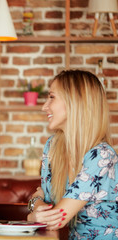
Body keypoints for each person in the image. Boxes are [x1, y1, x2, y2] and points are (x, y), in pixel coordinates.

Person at [27, 70, 118, 239]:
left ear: (74, 102)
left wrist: (32, 213)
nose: (44, 106)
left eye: (52, 97)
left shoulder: (102, 156)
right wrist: (36, 204)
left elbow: (54, 219)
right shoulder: (52, 147)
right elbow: (44, 205)